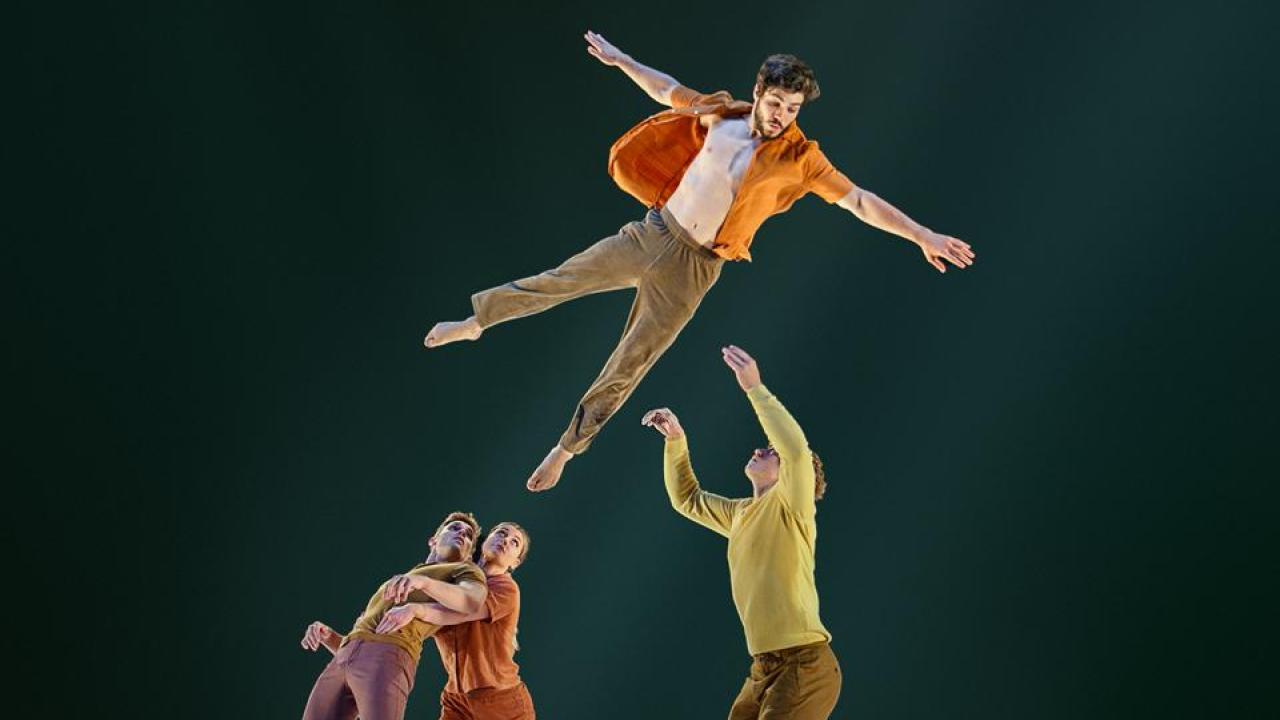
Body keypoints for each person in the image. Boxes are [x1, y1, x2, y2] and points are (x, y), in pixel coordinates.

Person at [426, 31, 975, 493]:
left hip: (693, 269)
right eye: (777, 103)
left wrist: (921, 234)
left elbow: (859, 200)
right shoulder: (720, 115)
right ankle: (477, 322)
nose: (783, 116)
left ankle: (565, 449)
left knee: (633, 359)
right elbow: (666, 89)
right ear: (759, 92)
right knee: (560, 280)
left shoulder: (802, 159)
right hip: (651, 233)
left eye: (793, 109)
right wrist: (622, 61)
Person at [642, 345, 841, 719]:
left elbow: (796, 451)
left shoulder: (793, 508)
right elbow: (687, 500)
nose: (760, 450)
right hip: (763, 667)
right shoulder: (740, 515)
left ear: (790, 478)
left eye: (770, 451)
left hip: (804, 665)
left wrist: (755, 389)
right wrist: (675, 440)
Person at [298, 512, 488, 720]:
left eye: (469, 535)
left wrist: (424, 583)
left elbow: (472, 600)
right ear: (433, 541)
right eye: (454, 528)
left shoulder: (464, 569)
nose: (462, 533)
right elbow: (365, 641)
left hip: (390, 655)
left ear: (469, 553)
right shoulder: (401, 580)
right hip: (343, 659)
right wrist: (329, 637)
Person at [417, 521, 536, 720]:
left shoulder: (506, 588)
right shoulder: (455, 579)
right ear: (484, 541)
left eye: (514, 542)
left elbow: (463, 609)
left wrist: (416, 606)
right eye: (501, 533)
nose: (505, 540)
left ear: (515, 563)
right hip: (457, 700)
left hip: (502, 701)